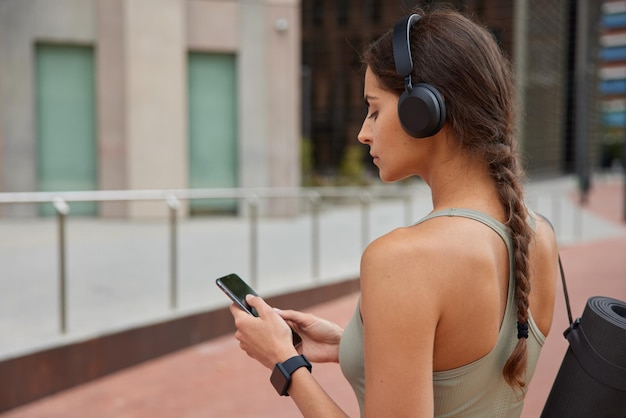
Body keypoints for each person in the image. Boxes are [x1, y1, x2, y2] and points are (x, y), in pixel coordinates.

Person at [228, 5, 558, 417]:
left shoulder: (404, 261)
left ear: (423, 111)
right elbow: (467, 378)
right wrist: (350, 345)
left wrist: (286, 362)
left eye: (374, 109)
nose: (364, 133)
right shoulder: (538, 236)